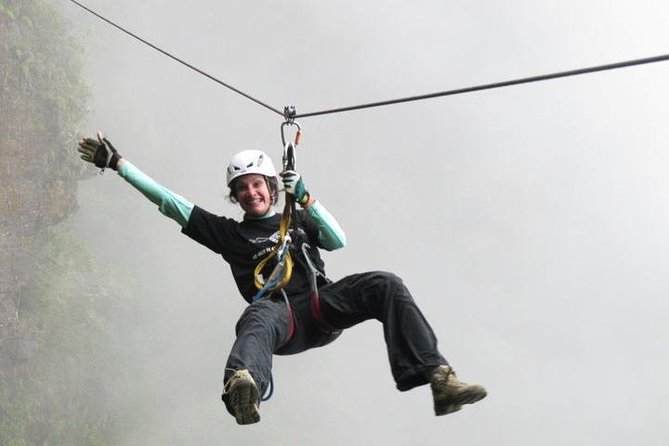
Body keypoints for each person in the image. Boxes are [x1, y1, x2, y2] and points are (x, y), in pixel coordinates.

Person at [77, 132, 487, 425]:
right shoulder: (231, 234)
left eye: (256, 184)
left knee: (387, 284)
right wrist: (118, 164)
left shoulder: (299, 215)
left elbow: (338, 241)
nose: (250, 192)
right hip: (281, 319)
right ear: (235, 196)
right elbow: (171, 202)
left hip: (320, 305)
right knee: (255, 316)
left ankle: (438, 379)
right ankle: (245, 385)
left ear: (271, 187)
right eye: (241, 188)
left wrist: (307, 197)